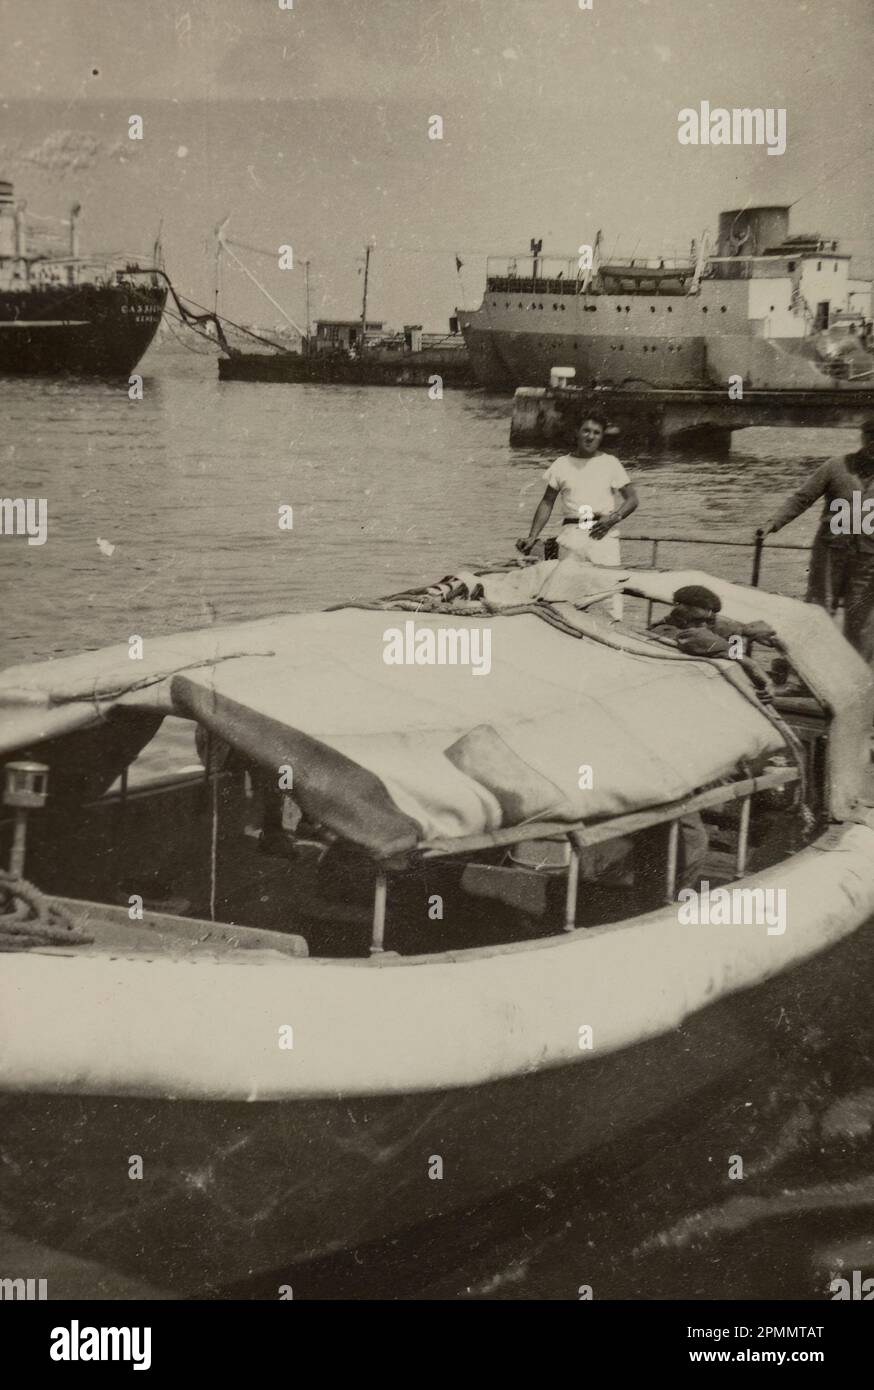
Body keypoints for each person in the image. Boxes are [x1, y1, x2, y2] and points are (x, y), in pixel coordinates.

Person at [516, 413, 638, 569]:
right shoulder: (561, 464)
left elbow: (632, 499)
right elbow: (547, 502)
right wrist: (533, 536)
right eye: (586, 431)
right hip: (571, 538)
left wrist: (613, 519)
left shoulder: (610, 463)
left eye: (596, 432)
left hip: (603, 538)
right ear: (577, 432)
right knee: (568, 589)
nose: (590, 437)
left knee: (606, 588)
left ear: (601, 437)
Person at [648, 585, 776, 701]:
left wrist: (746, 630)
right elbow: (703, 638)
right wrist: (760, 674)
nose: (705, 626)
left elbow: (725, 627)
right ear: (684, 611)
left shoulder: (697, 622)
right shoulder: (665, 631)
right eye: (701, 621)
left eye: (709, 621)